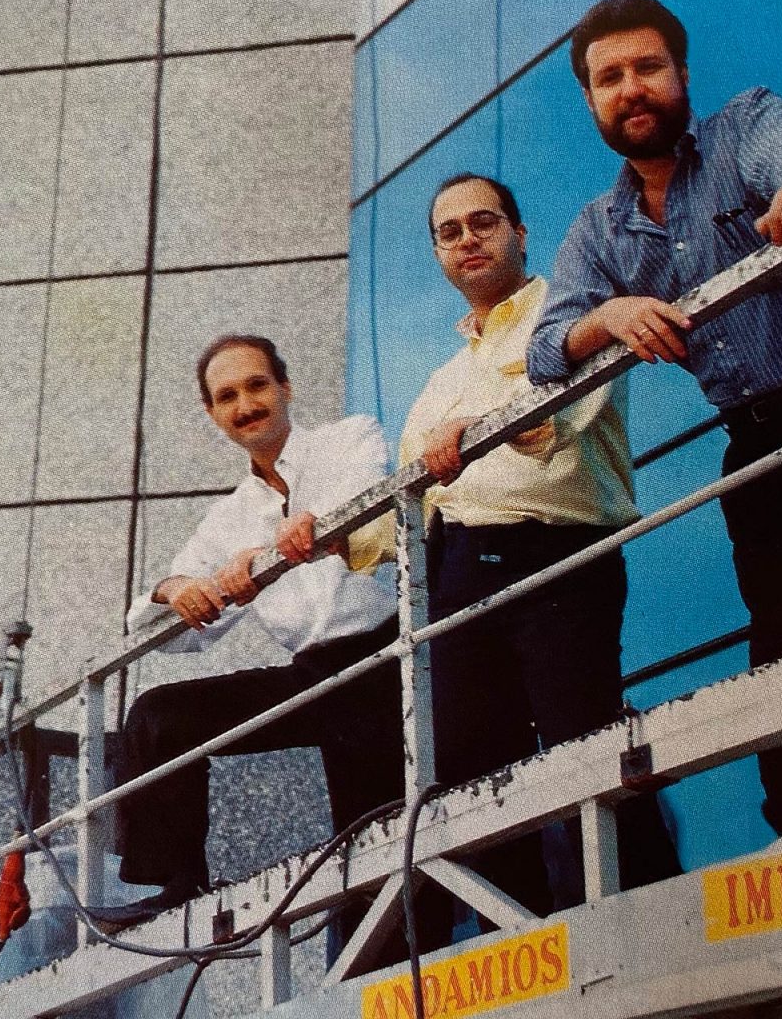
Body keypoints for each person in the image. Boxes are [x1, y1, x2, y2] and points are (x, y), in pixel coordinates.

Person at [526, 0, 782, 835]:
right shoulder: (599, 228)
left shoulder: (748, 120)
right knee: (781, 650)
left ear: (681, 76)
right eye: (609, 79)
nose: (630, 89)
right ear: (591, 101)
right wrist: (608, 318)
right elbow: (544, 350)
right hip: (753, 439)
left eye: (647, 68)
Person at [398, 172, 680, 938]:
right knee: (470, 770)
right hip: (459, 570)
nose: (467, 241)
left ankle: (657, 926)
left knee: (583, 742)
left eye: (482, 223)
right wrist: (305, 534)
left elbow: (561, 414)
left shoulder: (571, 313)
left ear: (520, 234)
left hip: (554, 552)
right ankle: (516, 940)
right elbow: (399, 502)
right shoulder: (440, 377)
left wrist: (480, 425)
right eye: (449, 232)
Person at [92, 335, 404, 935]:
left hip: (389, 658)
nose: (245, 404)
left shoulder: (350, 438)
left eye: (257, 386)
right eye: (226, 396)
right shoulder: (228, 515)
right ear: (213, 414)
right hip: (315, 677)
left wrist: (255, 562)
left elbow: (351, 508)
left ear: (285, 389)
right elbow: (164, 633)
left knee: (382, 851)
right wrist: (173, 588)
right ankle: (176, 885)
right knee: (161, 716)